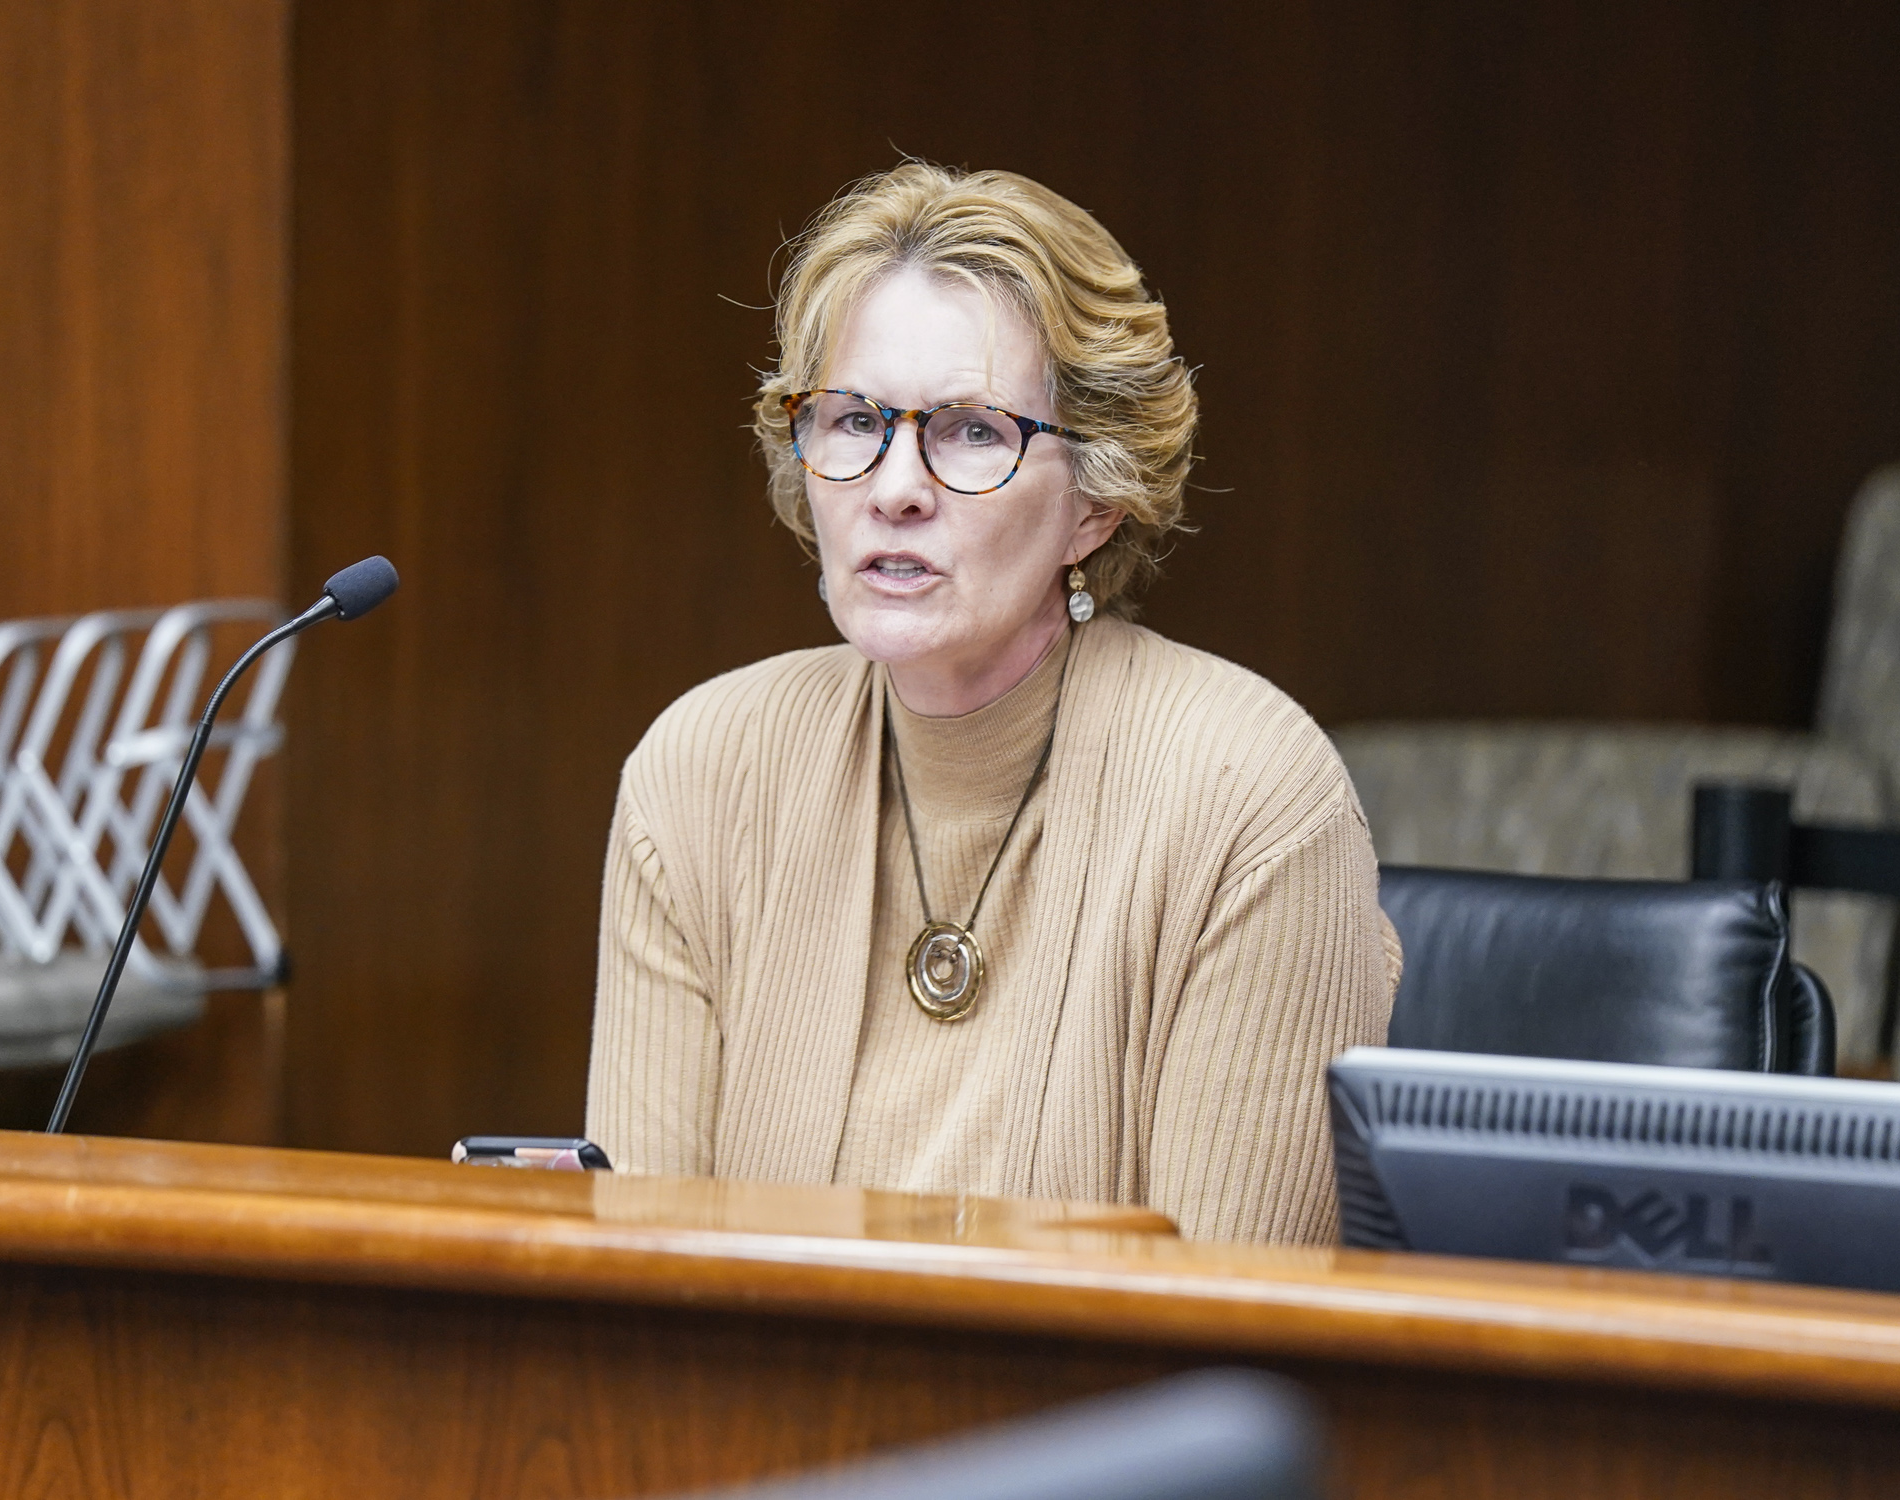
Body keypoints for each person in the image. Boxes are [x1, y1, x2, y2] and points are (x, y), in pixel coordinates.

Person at [585, 162, 1398, 1244]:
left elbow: (1223, 1362)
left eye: (971, 431)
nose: (895, 485)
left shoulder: (1248, 802)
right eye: (852, 419)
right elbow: (631, 1309)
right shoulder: (699, 775)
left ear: (1097, 502)